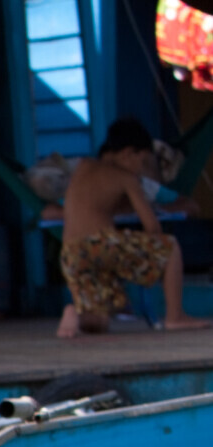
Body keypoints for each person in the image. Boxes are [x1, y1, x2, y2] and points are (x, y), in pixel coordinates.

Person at [55, 117, 210, 338]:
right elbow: (152, 227)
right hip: (100, 244)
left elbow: (91, 205)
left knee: (98, 321)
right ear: (128, 153)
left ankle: (74, 314)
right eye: (143, 161)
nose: (142, 169)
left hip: (71, 253)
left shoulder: (83, 168)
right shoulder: (126, 178)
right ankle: (175, 317)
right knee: (170, 247)